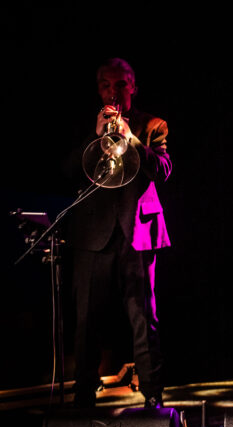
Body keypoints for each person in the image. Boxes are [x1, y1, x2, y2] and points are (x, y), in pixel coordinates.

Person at [66, 58, 171, 408]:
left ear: (133, 88)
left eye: (121, 85)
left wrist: (133, 140)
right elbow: (68, 172)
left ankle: (153, 396)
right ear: (99, 89)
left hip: (138, 232)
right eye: (107, 85)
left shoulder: (153, 125)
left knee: (144, 318)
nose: (114, 91)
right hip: (94, 236)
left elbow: (162, 171)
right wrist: (95, 139)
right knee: (87, 322)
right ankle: (83, 397)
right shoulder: (87, 126)